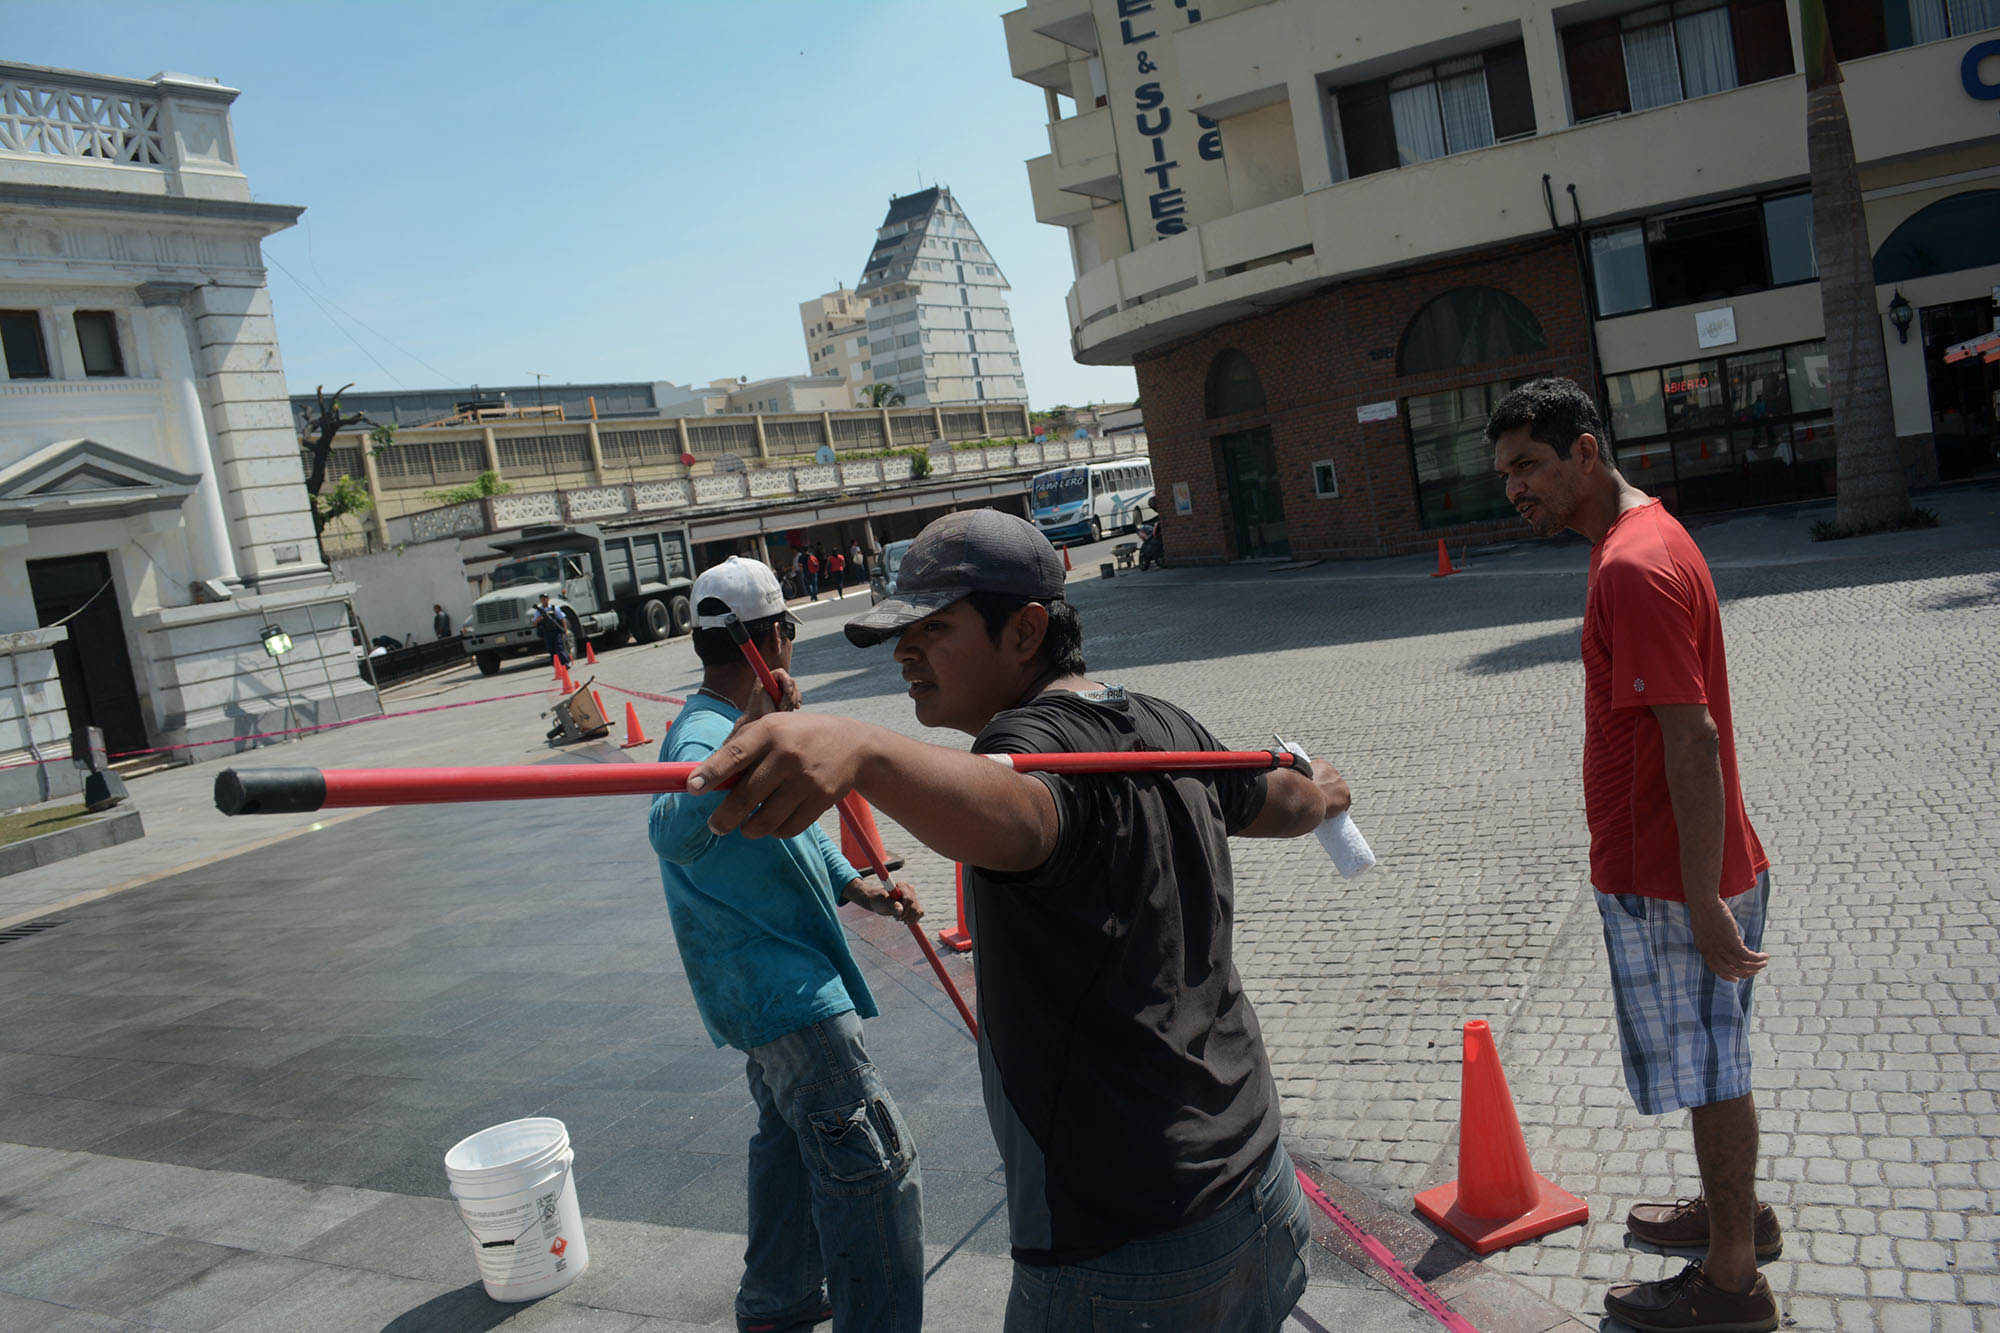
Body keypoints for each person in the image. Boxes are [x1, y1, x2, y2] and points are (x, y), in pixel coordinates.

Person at [684, 510, 1350, 1332]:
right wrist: (1320, 790)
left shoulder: (1028, 752)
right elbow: (1279, 797)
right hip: (1262, 1195)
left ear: (1027, 628)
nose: (904, 652)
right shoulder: (1163, 720)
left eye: (933, 628)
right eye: (901, 632)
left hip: (1126, 1254)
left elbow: (1022, 814)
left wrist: (862, 748)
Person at [1488, 378, 1779, 1333]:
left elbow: (1692, 738)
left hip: (1673, 876)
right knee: (1708, 1064)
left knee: (1712, 1066)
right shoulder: (1644, 534)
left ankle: (1732, 1280)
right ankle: (1733, 1216)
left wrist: (1699, 894)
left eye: (1529, 465)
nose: (1515, 489)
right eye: (1505, 474)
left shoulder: (1632, 564)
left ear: (1585, 452)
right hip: (1666, 866)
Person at [650, 556, 926, 1333]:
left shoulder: (741, 722)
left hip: (765, 986)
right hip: (784, 993)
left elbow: (788, 832)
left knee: (786, 1143)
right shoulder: (706, 732)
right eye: (789, 632)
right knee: (875, 1168)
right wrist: (749, 732)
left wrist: (854, 884)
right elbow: (670, 830)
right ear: (768, 639)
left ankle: (780, 1297)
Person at [529, 593, 571, 667]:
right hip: (547, 632)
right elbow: (534, 623)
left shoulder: (554, 608)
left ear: (548, 599)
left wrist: (565, 629)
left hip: (556, 631)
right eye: (542, 599)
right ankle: (556, 665)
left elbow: (562, 619)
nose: (544, 600)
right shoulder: (538, 611)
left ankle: (565, 663)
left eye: (545, 598)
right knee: (551, 649)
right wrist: (539, 619)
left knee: (559, 647)